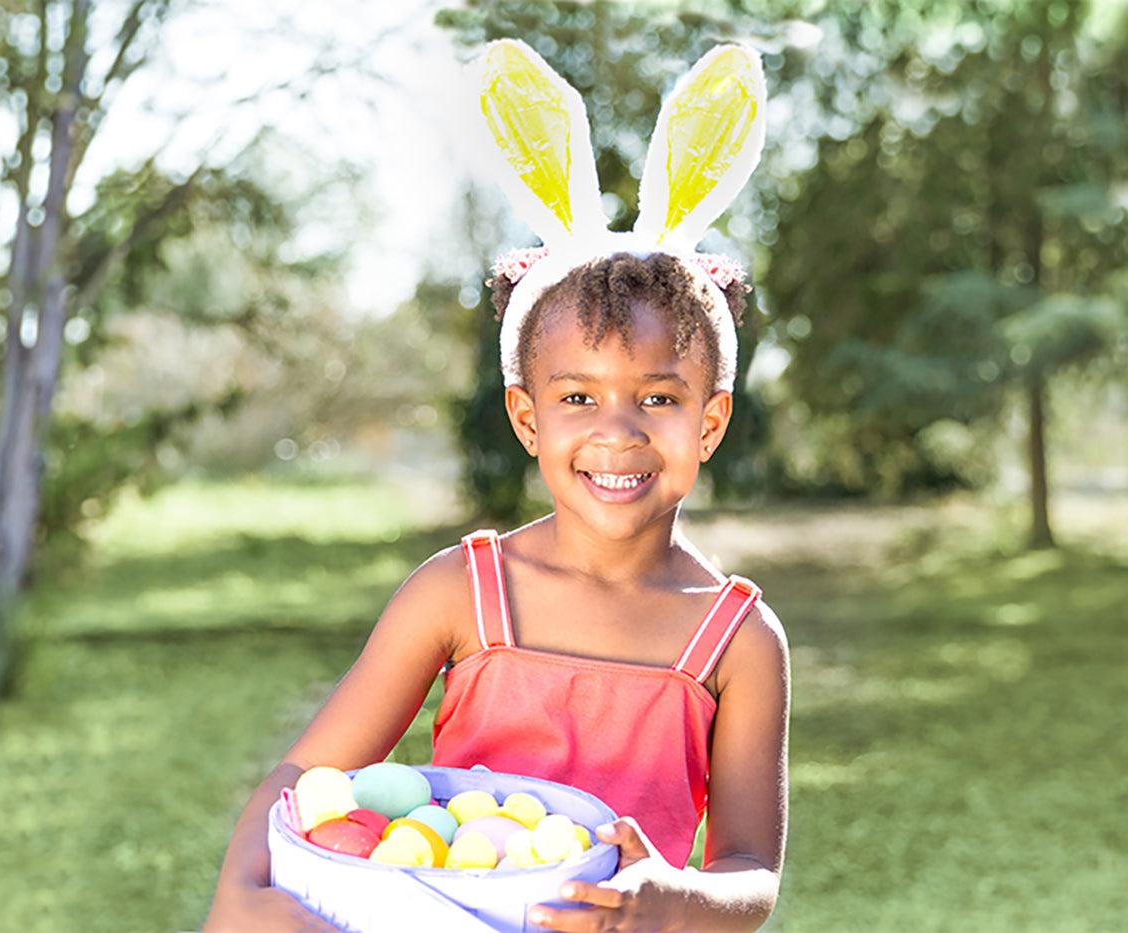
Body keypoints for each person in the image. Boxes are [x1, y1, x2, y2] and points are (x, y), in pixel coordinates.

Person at [206, 39, 788, 932]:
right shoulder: (459, 594)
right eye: (579, 396)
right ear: (528, 419)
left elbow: (751, 874)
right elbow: (303, 779)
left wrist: (667, 900)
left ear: (708, 422)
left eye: (660, 398)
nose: (618, 430)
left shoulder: (738, 641)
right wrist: (241, 900)